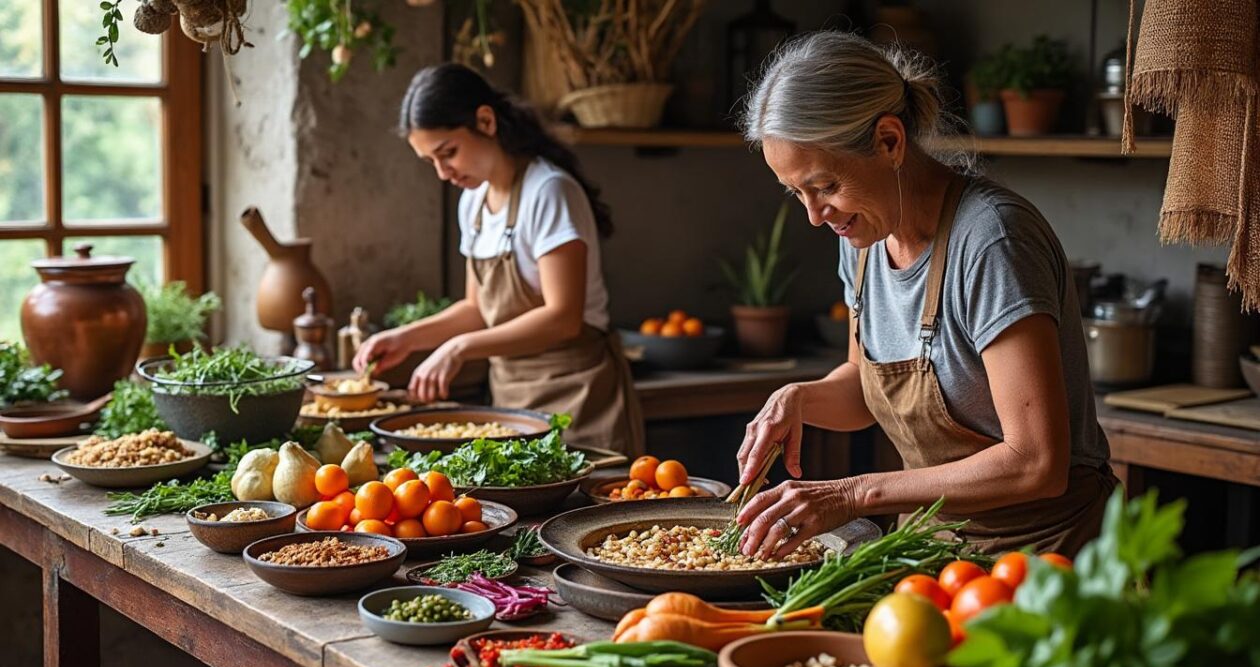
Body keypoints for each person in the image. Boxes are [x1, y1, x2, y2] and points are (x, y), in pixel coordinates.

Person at [733, 32, 1117, 559]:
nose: (814, 215)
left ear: (890, 142)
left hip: (1045, 554)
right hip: (935, 548)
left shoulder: (991, 240)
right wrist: (798, 397)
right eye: (796, 192)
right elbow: (862, 389)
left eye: (824, 186)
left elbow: (1036, 463)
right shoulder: (863, 236)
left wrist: (852, 493)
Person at [354, 63, 644, 456]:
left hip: (580, 397)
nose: (443, 173)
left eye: (449, 153)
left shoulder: (549, 191)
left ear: (486, 121)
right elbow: (478, 309)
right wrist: (407, 338)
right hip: (512, 404)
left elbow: (563, 316)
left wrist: (458, 349)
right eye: (431, 162)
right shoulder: (473, 203)